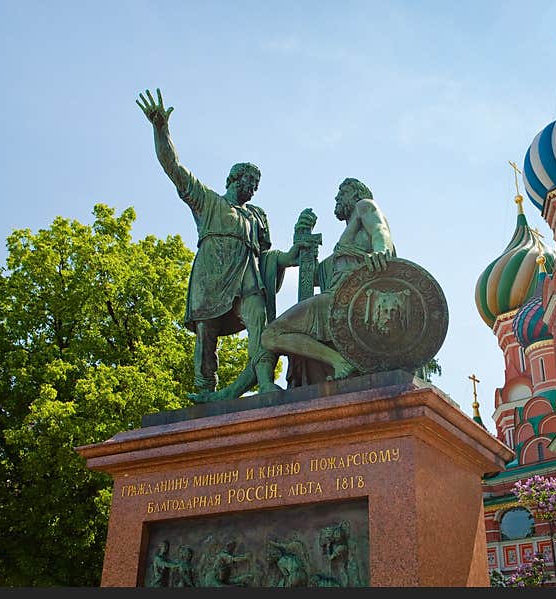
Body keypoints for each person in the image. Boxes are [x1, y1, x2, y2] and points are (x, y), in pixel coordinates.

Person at [137, 88, 300, 402]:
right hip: (211, 278)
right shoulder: (207, 201)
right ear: (234, 179)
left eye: (256, 184)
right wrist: (161, 129)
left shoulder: (257, 216)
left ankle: (265, 381)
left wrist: (290, 256)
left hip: (248, 279)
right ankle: (204, 390)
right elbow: (174, 168)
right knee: (206, 334)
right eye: (249, 181)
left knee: (260, 324)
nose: (253, 188)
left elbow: (266, 256)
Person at [262, 178, 394, 383]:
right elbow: (314, 277)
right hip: (338, 296)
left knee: (271, 335)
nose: (337, 197)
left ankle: (339, 362)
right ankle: (339, 361)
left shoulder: (364, 206)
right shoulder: (349, 241)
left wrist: (382, 250)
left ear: (357, 195)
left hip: (346, 298)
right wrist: (302, 239)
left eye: (343, 192)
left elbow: (380, 229)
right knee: (271, 336)